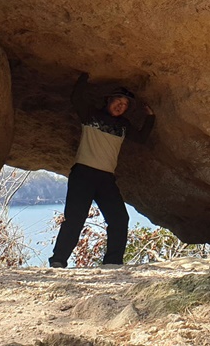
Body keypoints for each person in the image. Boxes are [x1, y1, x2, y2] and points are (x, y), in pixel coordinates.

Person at [49, 75, 155, 267]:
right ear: (108, 100)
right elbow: (76, 99)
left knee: (120, 219)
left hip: (106, 179)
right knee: (75, 218)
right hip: (83, 174)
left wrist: (150, 117)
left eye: (125, 105)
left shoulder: (124, 126)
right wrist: (85, 76)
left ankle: (113, 262)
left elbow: (141, 138)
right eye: (118, 101)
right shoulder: (90, 115)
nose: (120, 106)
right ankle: (58, 260)